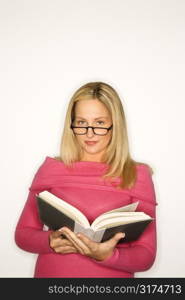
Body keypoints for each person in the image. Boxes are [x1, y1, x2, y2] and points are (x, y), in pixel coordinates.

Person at [15, 81, 157, 278]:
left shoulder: (136, 175)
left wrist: (108, 255)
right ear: (71, 124)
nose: (89, 133)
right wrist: (49, 241)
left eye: (99, 123)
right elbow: (23, 235)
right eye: (81, 123)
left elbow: (146, 255)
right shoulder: (51, 169)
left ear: (115, 124)